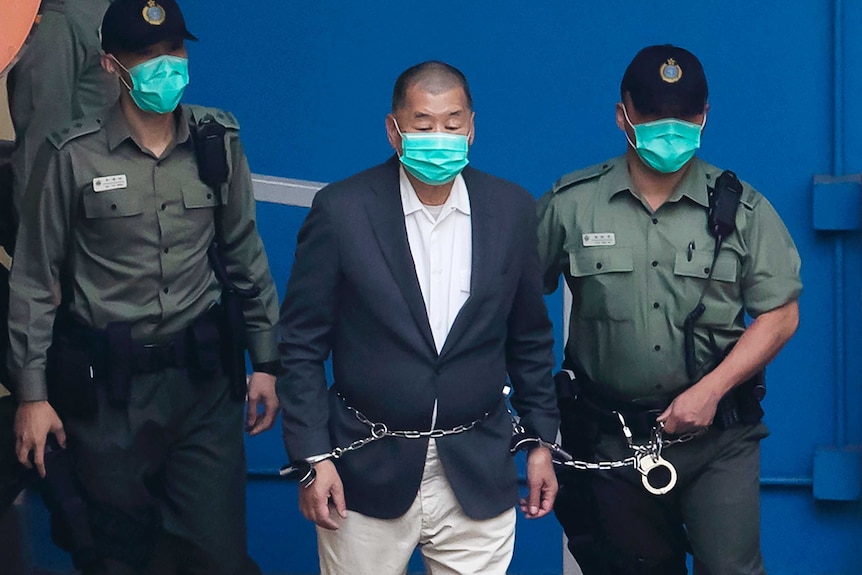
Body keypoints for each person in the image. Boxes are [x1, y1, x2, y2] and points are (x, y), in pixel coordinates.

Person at [8, 1, 280, 573]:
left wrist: (267, 362)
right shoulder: (71, 156)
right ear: (112, 66)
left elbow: (244, 254)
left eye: (174, 52)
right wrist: (32, 396)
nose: (165, 66)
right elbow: (35, 281)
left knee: (217, 557)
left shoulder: (217, 139)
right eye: (145, 56)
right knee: (119, 558)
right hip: (108, 396)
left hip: (202, 386)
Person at [278, 60, 560, 575]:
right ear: (394, 131)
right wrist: (312, 457)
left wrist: (540, 440)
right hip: (364, 470)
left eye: (452, 125)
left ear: (472, 128)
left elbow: (529, 339)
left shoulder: (512, 209)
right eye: (423, 125)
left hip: (478, 466)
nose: (440, 137)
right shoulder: (342, 211)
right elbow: (300, 343)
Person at [537, 44, 802, 574]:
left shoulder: (745, 209)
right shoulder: (571, 204)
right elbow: (514, 304)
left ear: (704, 117)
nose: (670, 130)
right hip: (611, 439)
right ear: (623, 115)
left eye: (684, 118)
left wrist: (710, 390)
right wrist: (531, 423)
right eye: (655, 117)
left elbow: (780, 314)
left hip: (718, 439)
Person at [8, 0, 119, 211]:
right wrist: (37, 241)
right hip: (76, 214)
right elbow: (38, 152)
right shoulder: (62, 17)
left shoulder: (110, 8)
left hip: (113, 210)